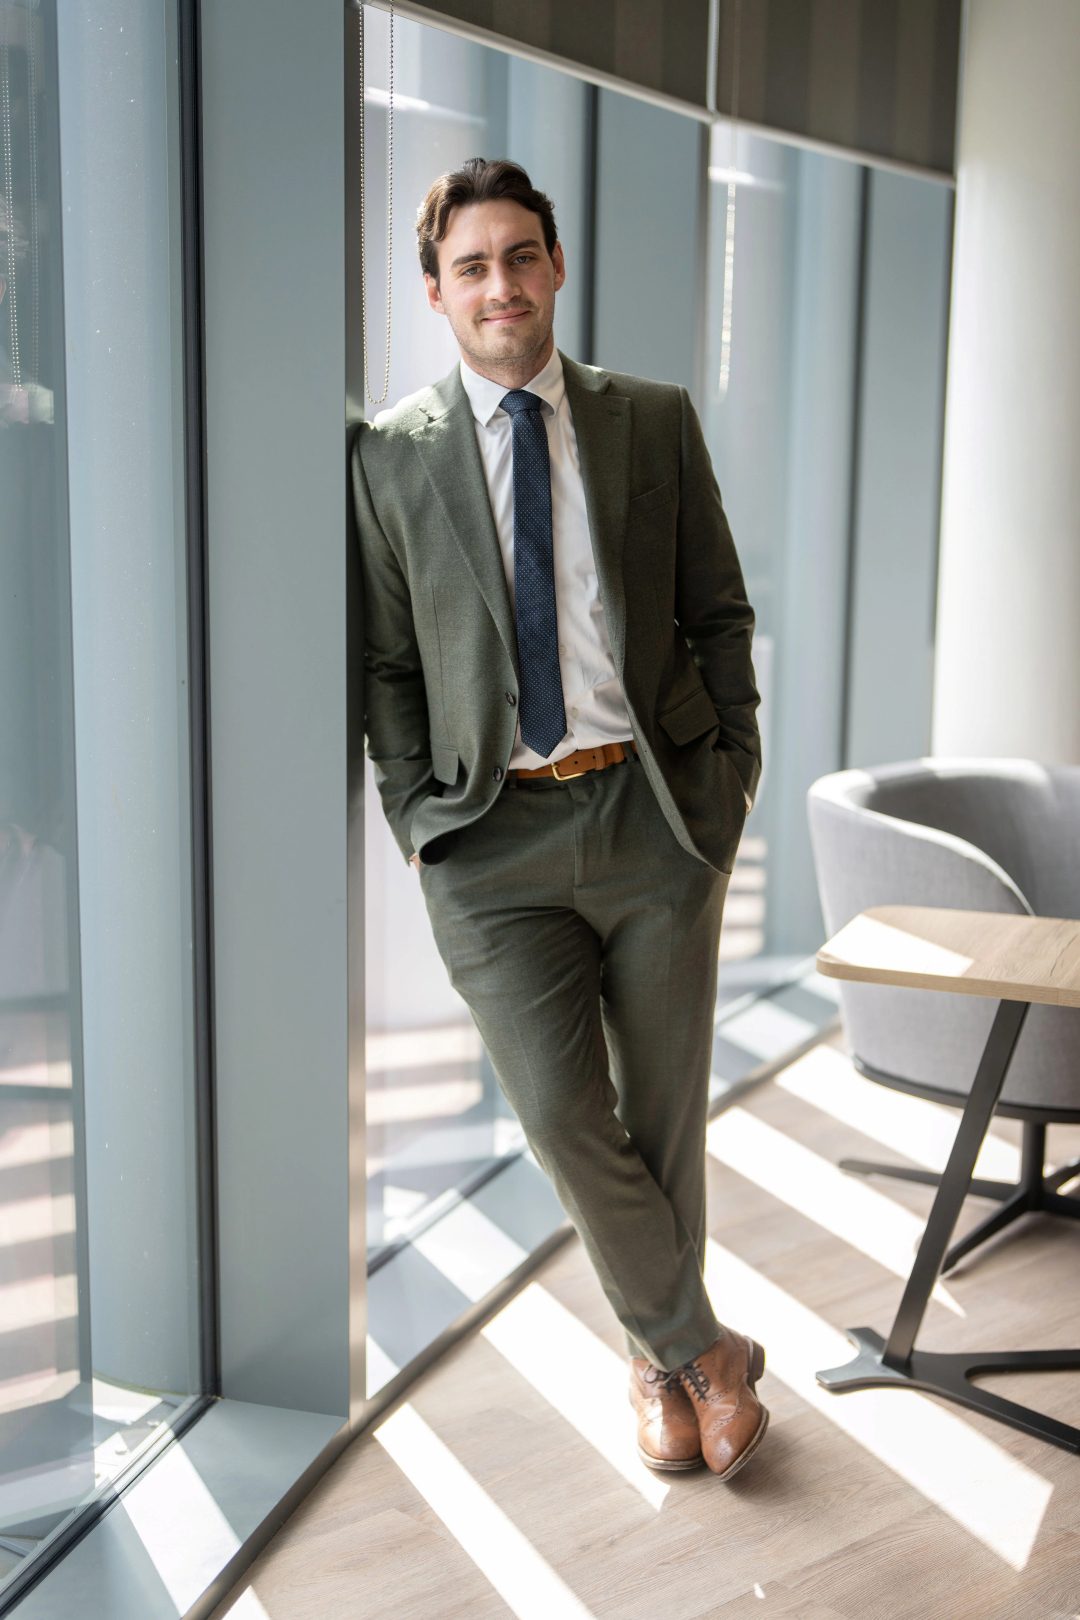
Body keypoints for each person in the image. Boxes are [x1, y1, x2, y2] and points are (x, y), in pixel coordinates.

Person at [350, 158, 766, 1478]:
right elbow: (387, 667)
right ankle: (699, 1350)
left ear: (557, 268)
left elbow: (719, 610)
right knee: (563, 1117)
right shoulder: (387, 460)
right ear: (435, 292)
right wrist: (423, 820)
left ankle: (656, 1373)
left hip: (650, 821)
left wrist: (728, 774)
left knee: (662, 1114)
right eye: (471, 266)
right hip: (493, 845)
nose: (501, 286)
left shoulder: (650, 421)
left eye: (520, 256)